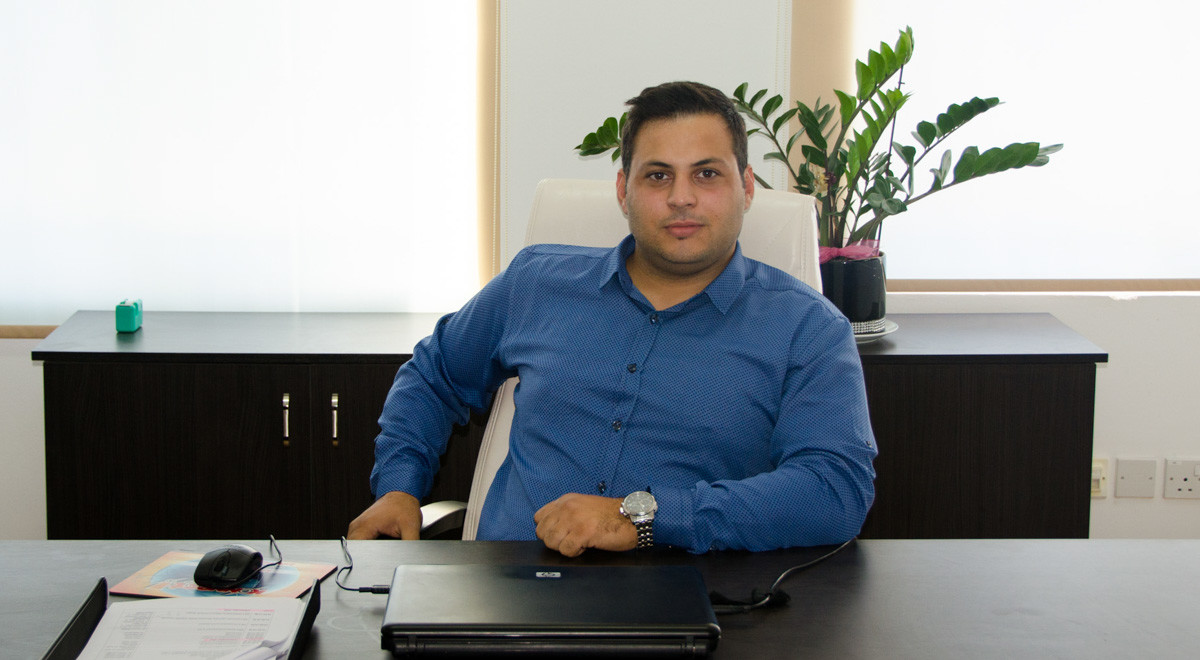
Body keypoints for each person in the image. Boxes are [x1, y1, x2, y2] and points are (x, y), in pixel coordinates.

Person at [347, 81, 877, 556]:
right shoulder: (536, 282)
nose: (682, 198)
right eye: (658, 175)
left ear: (748, 186)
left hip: (687, 598)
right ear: (624, 190)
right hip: (511, 590)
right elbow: (434, 374)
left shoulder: (808, 328)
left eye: (707, 174)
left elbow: (835, 489)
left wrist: (644, 517)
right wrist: (398, 487)